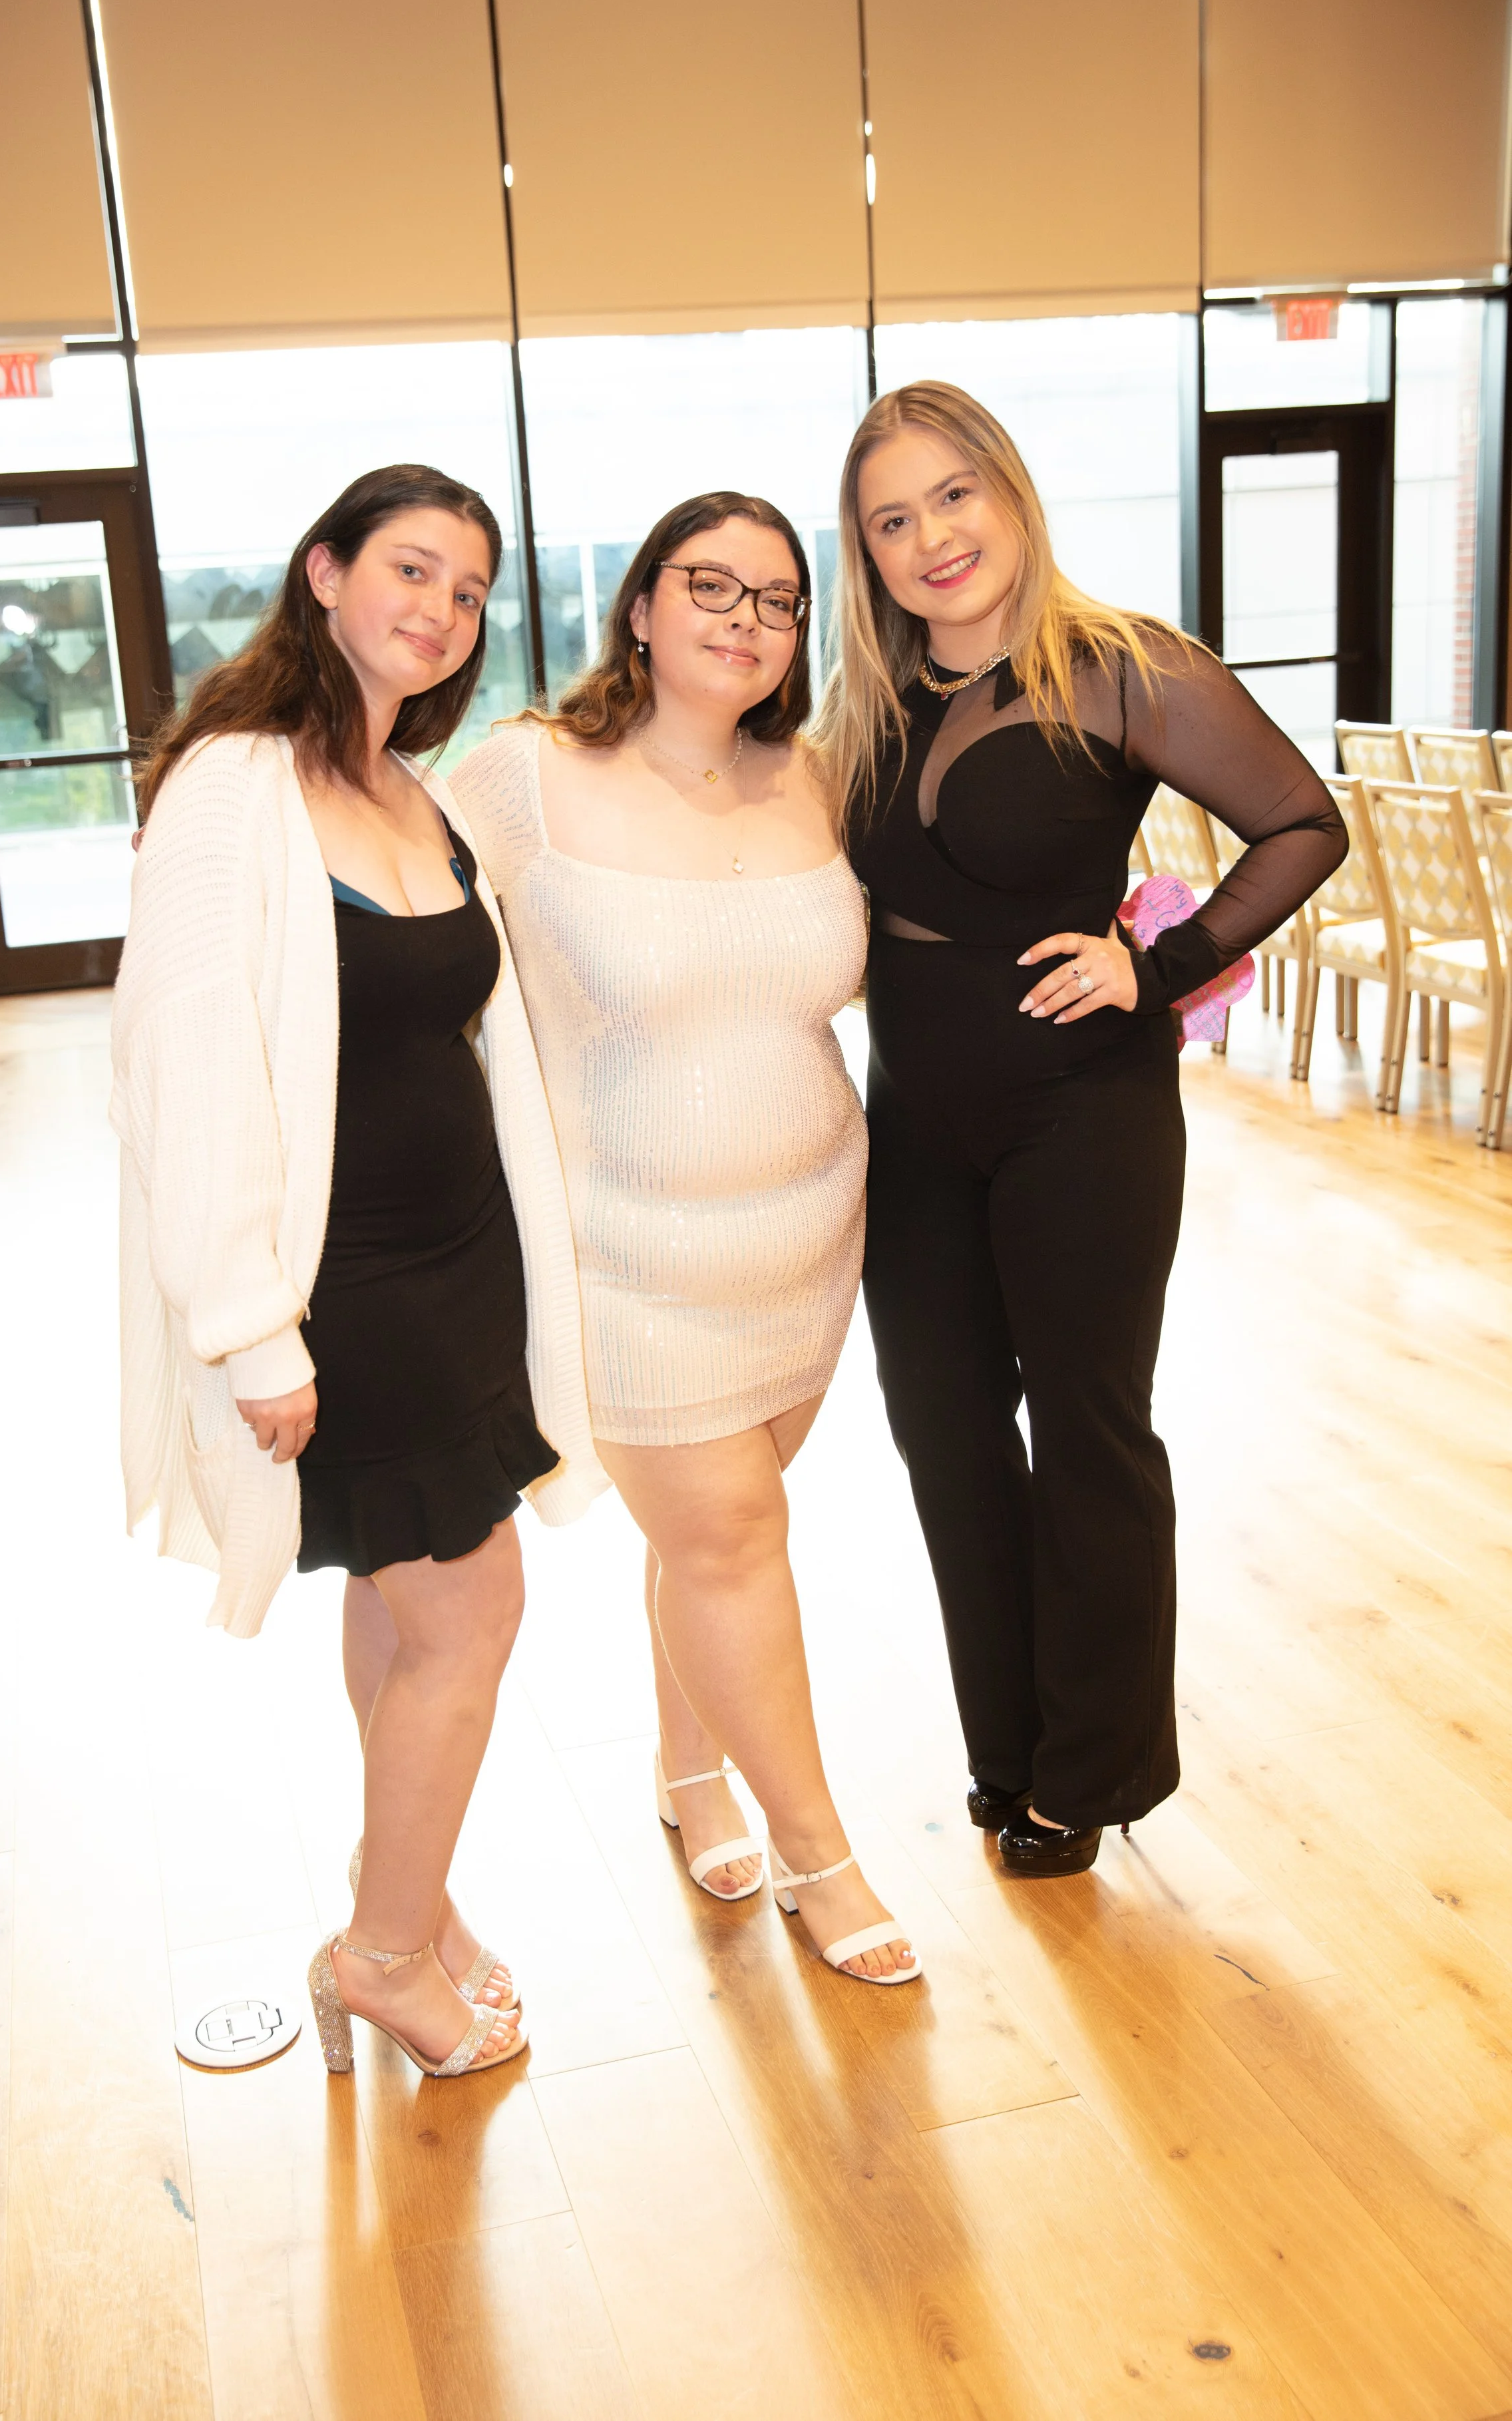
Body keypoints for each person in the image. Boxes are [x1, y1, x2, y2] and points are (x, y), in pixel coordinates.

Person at [112, 465, 605, 2078]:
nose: (440, 610)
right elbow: (185, 1067)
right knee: (474, 1611)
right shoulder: (231, 789)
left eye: (467, 590)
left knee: (407, 1608)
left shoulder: (417, 787)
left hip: (463, 1265)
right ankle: (385, 1956)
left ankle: (407, 1889)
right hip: (348, 1289)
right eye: (409, 569)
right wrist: (252, 1331)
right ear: (321, 573)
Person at [822, 382, 1346, 1876]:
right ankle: (1008, 1752)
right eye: (892, 518)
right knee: (940, 1435)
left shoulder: (1118, 668)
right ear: (864, 550)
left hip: (1083, 1116)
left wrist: (1156, 964)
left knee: (1087, 1431)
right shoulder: (866, 695)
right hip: (913, 1123)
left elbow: (1302, 822)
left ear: (1008, 491)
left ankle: (1092, 1773)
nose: (932, 538)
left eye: (953, 495)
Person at [452, 491, 918, 1984]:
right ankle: (819, 1857)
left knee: (712, 1537)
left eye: (777, 600)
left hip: (804, 1242)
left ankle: (689, 1769)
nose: (742, 619)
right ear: (638, 606)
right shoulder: (526, 777)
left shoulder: (817, 777)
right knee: (729, 1536)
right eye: (705, 586)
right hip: (621, 1256)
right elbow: (386, 921)